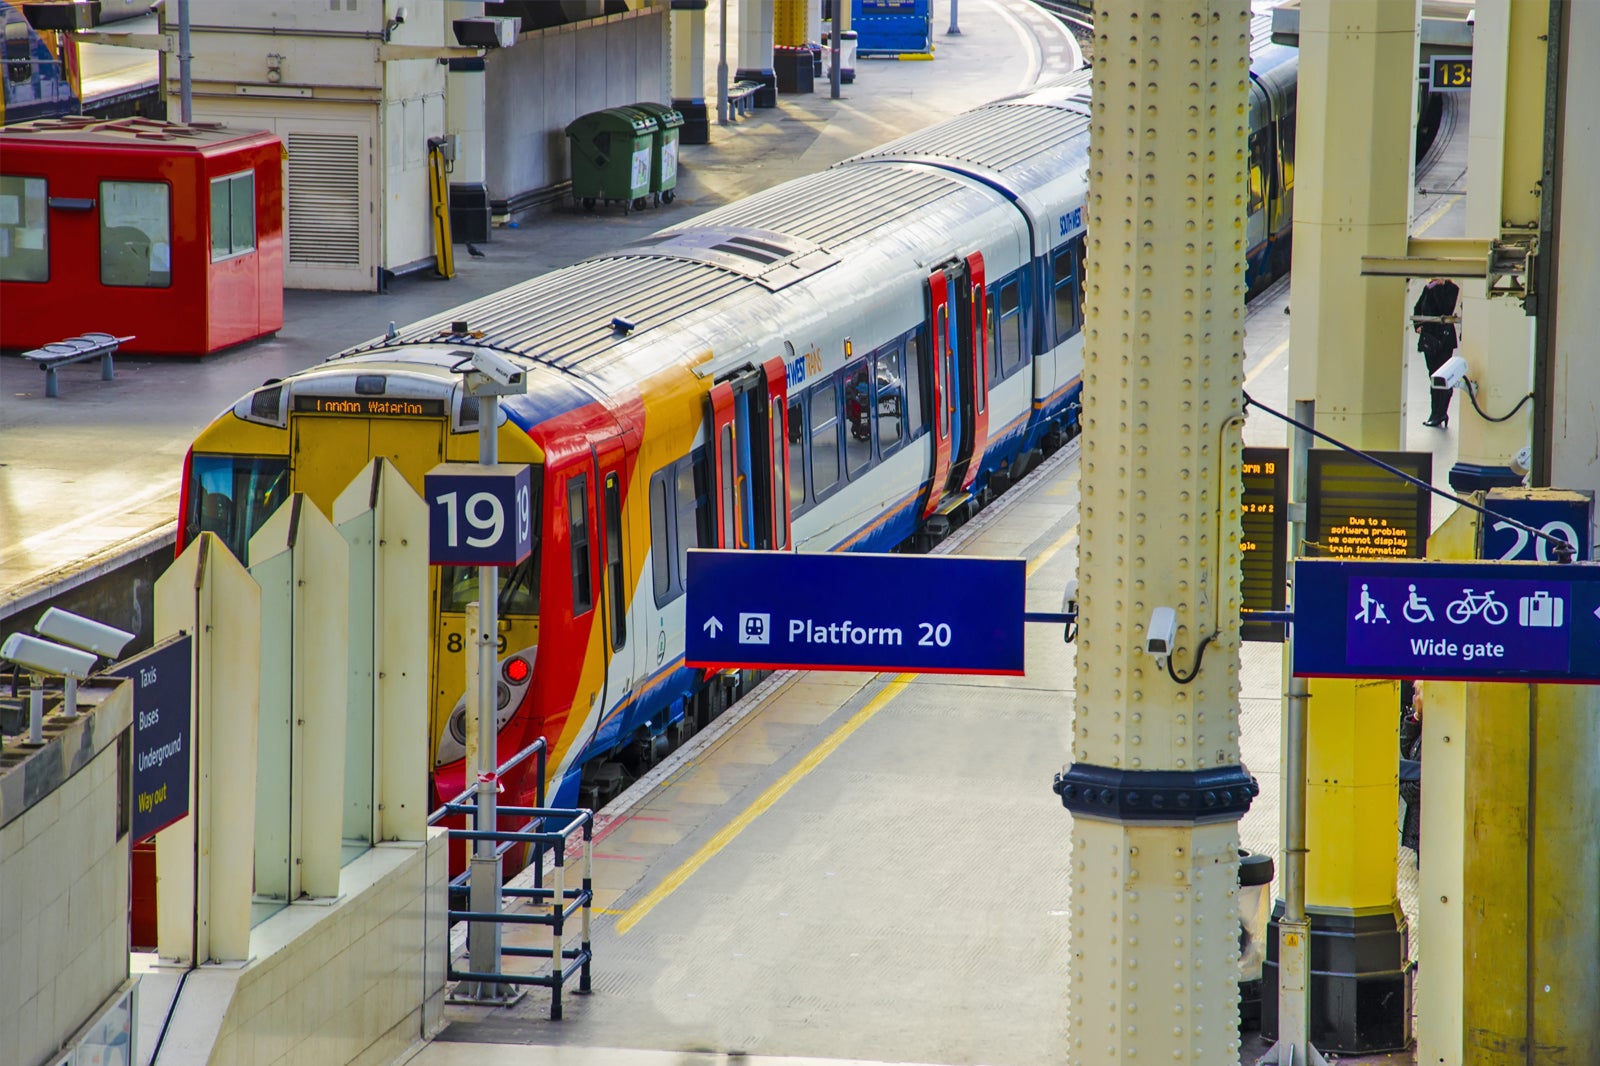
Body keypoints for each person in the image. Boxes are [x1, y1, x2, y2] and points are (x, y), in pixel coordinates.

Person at [1413, 277, 1460, 428]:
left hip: (1444, 340)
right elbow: (1418, 308)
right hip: (1430, 338)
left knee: (1443, 377)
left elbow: (1445, 308)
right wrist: (1418, 325)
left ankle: (1441, 412)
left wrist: (1437, 288)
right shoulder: (1429, 288)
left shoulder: (1452, 289)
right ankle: (1435, 413)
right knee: (1433, 376)